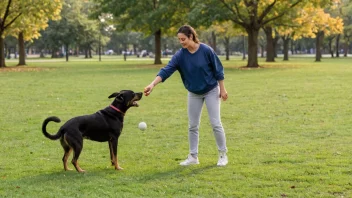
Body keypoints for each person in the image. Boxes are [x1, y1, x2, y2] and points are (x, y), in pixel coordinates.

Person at [144, 25, 228, 166]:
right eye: (179, 40)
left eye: (183, 39)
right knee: (192, 126)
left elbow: (218, 70)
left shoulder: (206, 50)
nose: (181, 42)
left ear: (191, 37)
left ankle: (222, 155)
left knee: (215, 123)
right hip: (194, 93)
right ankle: (193, 157)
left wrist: (223, 89)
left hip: (211, 90)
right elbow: (167, 70)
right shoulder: (180, 55)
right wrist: (152, 84)